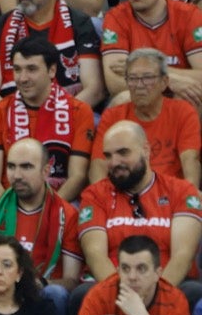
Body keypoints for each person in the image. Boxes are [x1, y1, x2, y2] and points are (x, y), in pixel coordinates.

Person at [77, 123, 202, 302]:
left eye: (123, 153)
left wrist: (154, 298)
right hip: (114, 290)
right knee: (83, 295)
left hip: (170, 288)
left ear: (146, 150)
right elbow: (95, 254)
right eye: (108, 156)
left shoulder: (181, 191)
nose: (114, 163)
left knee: (194, 292)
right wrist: (126, 298)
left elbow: (182, 255)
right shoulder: (95, 195)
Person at [0, 37, 95, 203]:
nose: (22, 78)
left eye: (31, 69)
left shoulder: (80, 111)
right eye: (17, 70)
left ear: (52, 71)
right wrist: (13, 209)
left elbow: (77, 176)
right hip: (10, 203)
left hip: (62, 202)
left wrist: (45, 212)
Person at [0, 0, 104, 106]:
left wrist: (54, 118)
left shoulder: (79, 23)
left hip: (71, 113)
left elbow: (94, 89)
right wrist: (15, 119)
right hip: (13, 117)